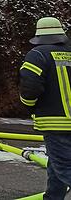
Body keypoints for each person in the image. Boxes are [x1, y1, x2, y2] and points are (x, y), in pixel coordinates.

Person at [19, 17, 71, 199]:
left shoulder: (38, 54)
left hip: (56, 123)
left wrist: (28, 105)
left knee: (64, 166)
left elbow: (30, 86)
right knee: (57, 165)